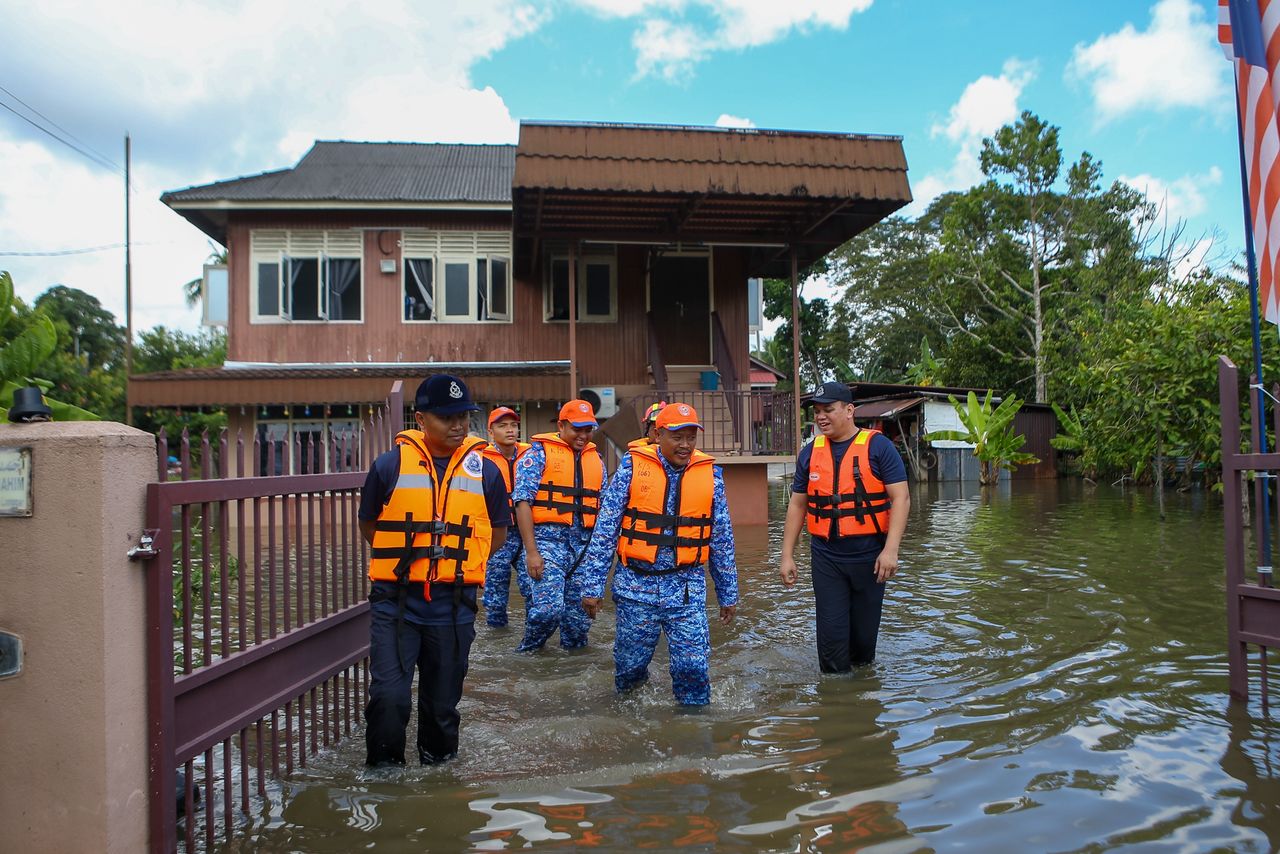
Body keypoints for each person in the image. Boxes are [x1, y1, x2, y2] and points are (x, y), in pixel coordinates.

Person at [358, 374, 510, 766]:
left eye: (464, 415)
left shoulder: (487, 473)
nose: (458, 425)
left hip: (454, 604)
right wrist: (410, 561)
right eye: (446, 417)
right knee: (389, 697)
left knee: (442, 709)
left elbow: (495, 534)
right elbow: (371, 526)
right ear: (420, 419)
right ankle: (384, 779)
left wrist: (456, 568)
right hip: (396, 602)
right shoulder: (389, 466)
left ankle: (438, 780)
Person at [580, 403, 738, 705]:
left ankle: (694, 733)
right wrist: (592, 587)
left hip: (687, 589)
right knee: (629, 671)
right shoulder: (631, 467)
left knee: (693, 668)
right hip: (636, 587)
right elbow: (605, 530)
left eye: (691, 438)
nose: (685, 445)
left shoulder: (712, 476)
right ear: (658, 434)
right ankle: (633, 727)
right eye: (677, 437)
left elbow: (721, 538)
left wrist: (728, 593)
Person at [778, 381, 910, 673]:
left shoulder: (879, 447)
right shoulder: (810, 453)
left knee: (863, 648)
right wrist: (786, 555)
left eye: (829, 409)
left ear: (849, 410)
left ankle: (861, 704)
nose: (821, 417)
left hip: (870, 556)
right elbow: (798, 505)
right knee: (832, 644)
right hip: (827, 557)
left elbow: (901, 498)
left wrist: (891, 550)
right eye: (817, 411)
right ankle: (835, 703)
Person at [512, 398, 607, 652]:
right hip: (547, 545)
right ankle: (528, 652)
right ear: (562, 425)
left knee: (578, 625)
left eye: (588, 430)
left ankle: (570, 672)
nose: (583, 435)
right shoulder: (537, 455)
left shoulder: (596, 459)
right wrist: (531, 552)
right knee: (547, 610)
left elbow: (604, 512)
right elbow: (522, 503)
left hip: (584, 551)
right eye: (577, 429)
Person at [481, 406, 532, 628]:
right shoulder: (481, 459)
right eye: (502, 426)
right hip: (497, 532)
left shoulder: (531, 455)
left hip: (527, 534)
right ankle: (496, 635)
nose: (510, 430)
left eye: (513, 425)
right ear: (491, 432)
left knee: (533, 588)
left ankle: (534, 634)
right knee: (494, 594)